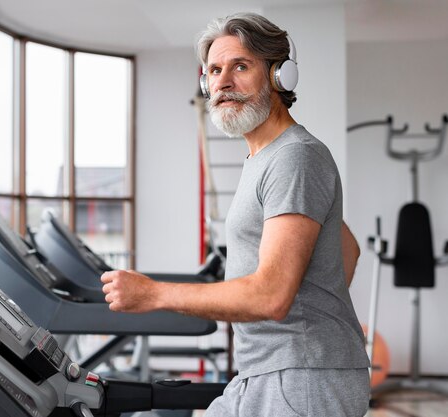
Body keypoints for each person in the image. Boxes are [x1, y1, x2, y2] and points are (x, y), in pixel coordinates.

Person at [101, 12, 371, 417]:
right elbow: (345, 249)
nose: (222, 83)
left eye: (240, 66)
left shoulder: (294, 157)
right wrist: (311, 313)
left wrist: (152, 294)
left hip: (300, 379)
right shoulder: (265, 158)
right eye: (213, 70)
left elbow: (272, 296)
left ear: (280, 76)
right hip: (274, 372)